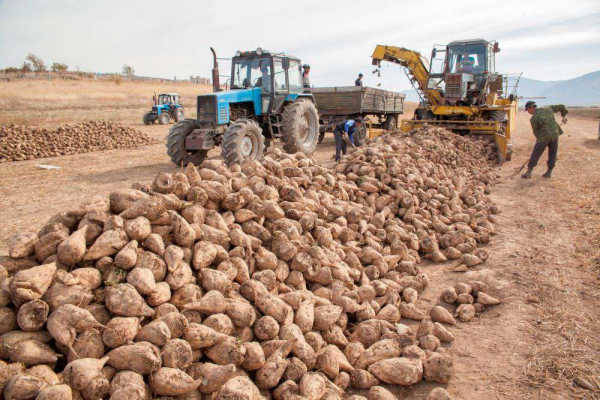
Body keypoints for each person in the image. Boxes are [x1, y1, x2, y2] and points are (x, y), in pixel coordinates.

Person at [521, 101, 568, 179]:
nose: (528, 112)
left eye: (528, 110)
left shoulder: (533, 118)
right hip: (554, 136)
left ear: (532, 107)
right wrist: (564, 116)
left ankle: (529, 172)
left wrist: (540, 139)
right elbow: (562, 106)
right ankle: (549, 172)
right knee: (553, 154)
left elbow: (536, 132)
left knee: (535, 154)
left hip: (543, 138)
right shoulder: (548, 108)